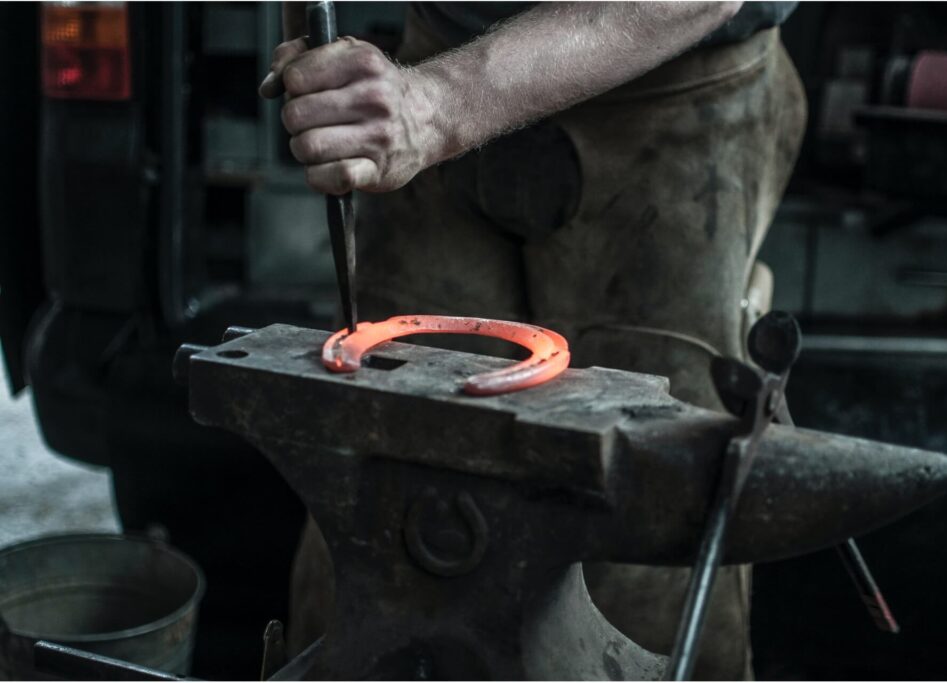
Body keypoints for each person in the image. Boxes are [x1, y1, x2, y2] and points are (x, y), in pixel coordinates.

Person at [260, 2, 806, 678]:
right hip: (439, 47)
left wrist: (433, 110)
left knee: (650, 525)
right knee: (381, 501)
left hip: (673, 85)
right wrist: (328, 70)